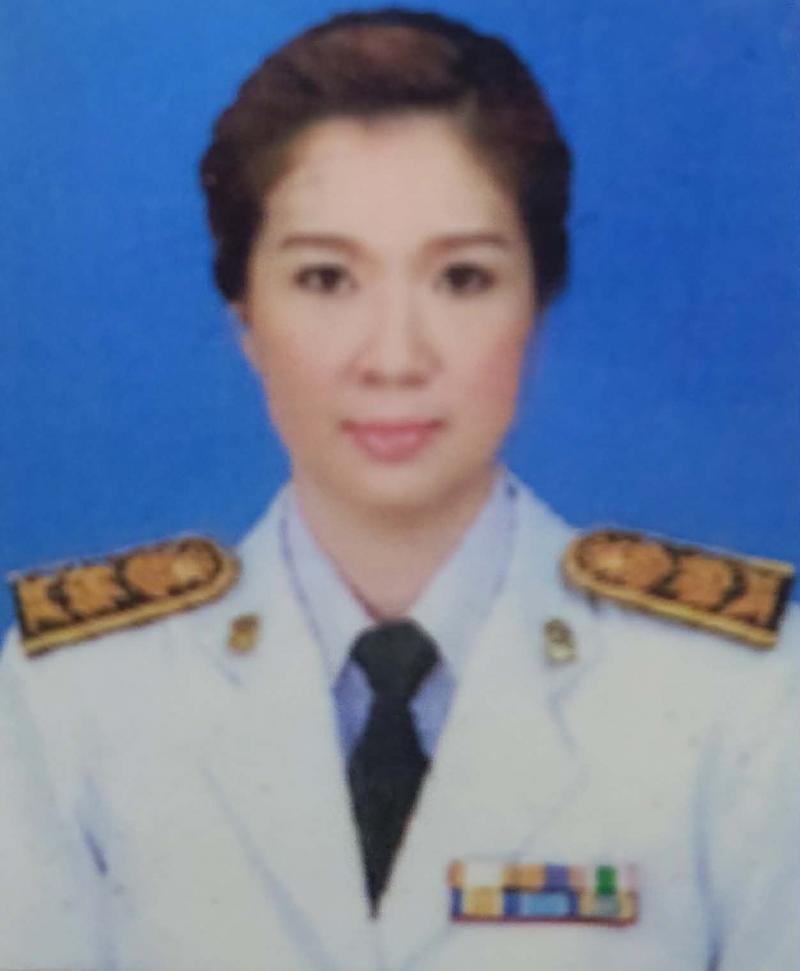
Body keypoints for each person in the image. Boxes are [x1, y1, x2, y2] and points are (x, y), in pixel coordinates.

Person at [0, 9, 797, 971]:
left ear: (538, 300)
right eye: (326, 278)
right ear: (245, 313)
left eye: (461, 278)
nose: (394, 357)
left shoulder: (736, 694)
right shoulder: (76, 698)